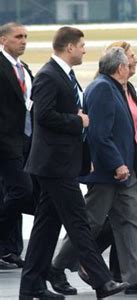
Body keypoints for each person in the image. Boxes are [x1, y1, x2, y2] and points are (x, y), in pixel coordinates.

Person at [48, 47, 137, 295]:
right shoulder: (103, 88)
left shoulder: (116, 87)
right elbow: (99, 134)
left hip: (125, 170)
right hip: (108, 172)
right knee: (89, 222)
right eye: (128, 64)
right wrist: (116, 164)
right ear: (119, 68)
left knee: (132, 222)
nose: (131, 67)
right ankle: (56, 265)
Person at [19, 26, 128, 300]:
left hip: (61, 163)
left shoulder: (64, 75)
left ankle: (31, 285)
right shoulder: (48, 76)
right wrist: (77, 121)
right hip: (53, 165)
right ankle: (102, 281)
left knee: (46, 227)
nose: (84, 49)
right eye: (81, 45)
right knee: (79, 222)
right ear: (69, 47)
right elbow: (43, 116)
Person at [0, 22, 37, 270]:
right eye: (18, 37)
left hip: (26, 142)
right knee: (22, 191)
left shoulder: (24, 69)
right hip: (5, 143)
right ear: (3, 40)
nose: (23, 41)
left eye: (25, 36)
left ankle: (9, 250)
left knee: (13, 193)